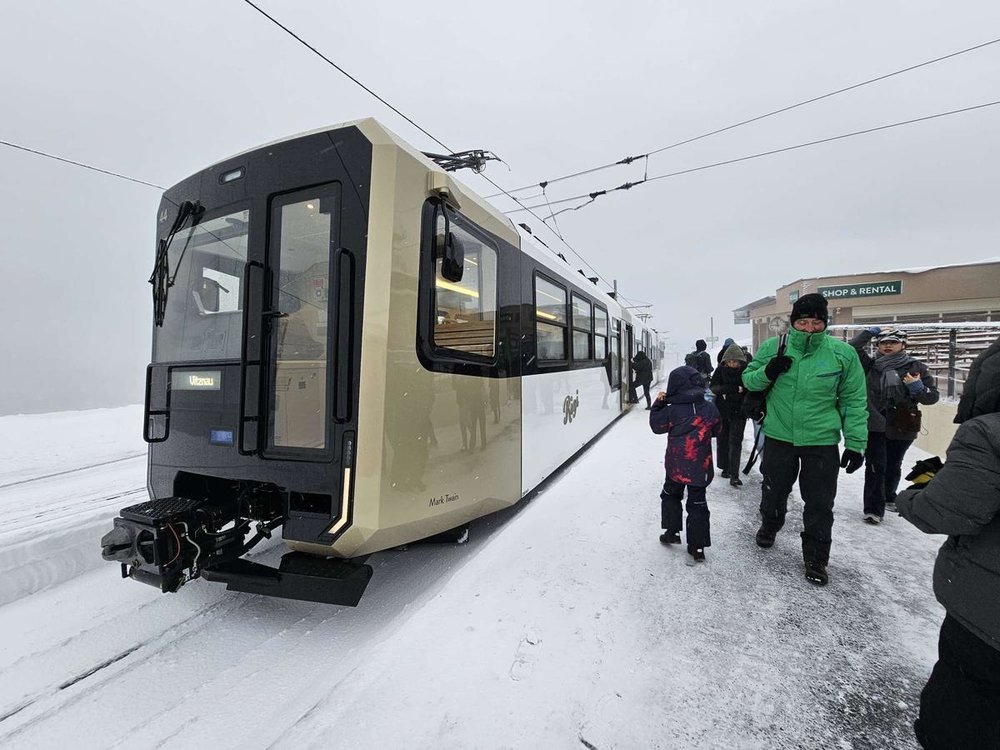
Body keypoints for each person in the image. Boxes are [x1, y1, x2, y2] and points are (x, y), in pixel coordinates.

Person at [895, 336, 1000, 749]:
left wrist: (911, 498)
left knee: (962, 713)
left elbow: (948, 510)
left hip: (988, 618)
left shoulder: (988, 433)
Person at [742, 293, 867, 585]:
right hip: (778, 437)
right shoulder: (774, 347)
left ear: (824, 324)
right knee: (774, 490)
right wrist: (768, 370)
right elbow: (748, 379)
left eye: (815, 322)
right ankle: (770, 524)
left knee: (820, 504)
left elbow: (853, 400)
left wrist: (856, 443)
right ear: (793, 322)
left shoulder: (842, 354)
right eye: (802, 322)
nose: (809, 328)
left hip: (821, 442)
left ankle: (816, 557)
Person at [849, 326, 939, 524]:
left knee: (893, 464)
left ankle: (889, 495)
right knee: (875, 466)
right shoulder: (871, 365)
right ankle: (873, 509)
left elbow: (932, 398)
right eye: (883, 342)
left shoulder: (916, 367)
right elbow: (853, 347)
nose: (887, 346)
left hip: (902, 424)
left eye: (893, 342)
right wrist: (869, 333)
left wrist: (917, 389)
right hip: (874, 423)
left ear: (903, 344)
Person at [649, 366, 723, 564]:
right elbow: (717, 429)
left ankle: (672, 532)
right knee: (698, 504)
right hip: (701, 466)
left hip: (676, 466)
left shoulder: (671, 410)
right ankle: (697, 546)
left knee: (671, 495)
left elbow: (657, 427)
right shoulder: (709, 408)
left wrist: (658, 404)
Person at [709, 342, 749, 487]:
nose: (732, 364)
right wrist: (733, 389)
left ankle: (734, 474)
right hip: (723, 411)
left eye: (735, 361)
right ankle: (725, 468)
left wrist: (729, 392)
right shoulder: (720, 370)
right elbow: (713, 387)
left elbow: (749, 388)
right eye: (730, 361)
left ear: (741, 361)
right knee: (723, 440)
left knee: (735, 442)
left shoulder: (746, 371)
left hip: (739, 412)